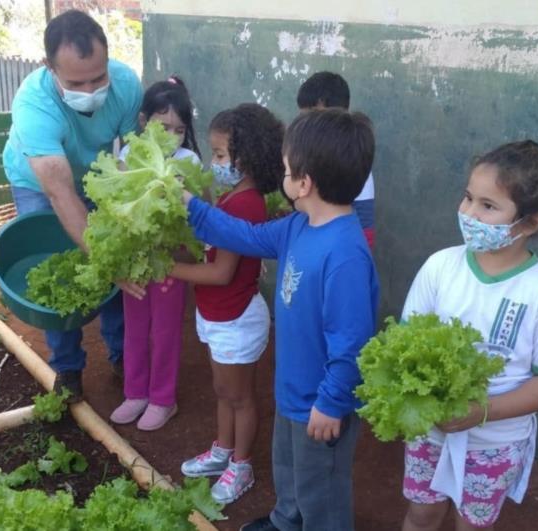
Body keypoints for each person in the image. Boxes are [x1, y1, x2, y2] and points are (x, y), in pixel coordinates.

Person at [178, 109, 379, 531]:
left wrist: (331, 403)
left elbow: (351, 344)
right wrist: (191, 209)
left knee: (321, 487)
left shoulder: (345, 255)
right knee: (289, 469)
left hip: (321, 403)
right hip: (292, 390)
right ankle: (287, 520)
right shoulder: (298, 226)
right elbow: (245, 236)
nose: (282, 177)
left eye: (287, 170)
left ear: (303, 183)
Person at [399, 140, 538, 531]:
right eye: (468, 198)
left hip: (495, 443)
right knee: (421, 516)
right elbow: (404, 344)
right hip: (430, 432)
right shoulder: (440, 267)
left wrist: (481, 412)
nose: (468, 213)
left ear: (531, 223)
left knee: (472, 525)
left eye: (488, 206)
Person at [2, 9, 142, 401]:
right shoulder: (34, 104)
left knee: (115, 261)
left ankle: (123, 355)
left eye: (98, 77)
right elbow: (60, 193)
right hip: (39, 183)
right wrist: (106, 259)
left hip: (96, 174)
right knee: (53, 262)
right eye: (77, 82)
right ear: (49, 68)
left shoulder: (127, 84)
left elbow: (133, 151)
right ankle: (67, 367)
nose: (91, 88)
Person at [168, 103, 284, 503]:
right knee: (222, 390)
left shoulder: (246, 203)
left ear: (246, 155)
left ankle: (242, 464)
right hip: (217, 313)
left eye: (220, 155)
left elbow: (221, 273)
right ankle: (222, 450)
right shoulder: (232, 195)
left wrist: (168, 269)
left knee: (240, 396)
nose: (214, 163)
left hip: (235, 316)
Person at [109, 76, 202, 431]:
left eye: (179, 130)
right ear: (144, 122)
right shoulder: (129, 153)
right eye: (164, 127)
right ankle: (135, 393)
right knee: (135, 327)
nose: (172, 137)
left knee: (164, 330)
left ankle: (163, 398)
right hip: (136, 259)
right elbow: (117, 204)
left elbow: (198, 212)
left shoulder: (189, 160)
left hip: (171, 261)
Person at [297, 71, 376, 249]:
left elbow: (366, 231)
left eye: (316, 118)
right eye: (304, 119)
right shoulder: (308, 156)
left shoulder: (351, 160)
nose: (308, 127)